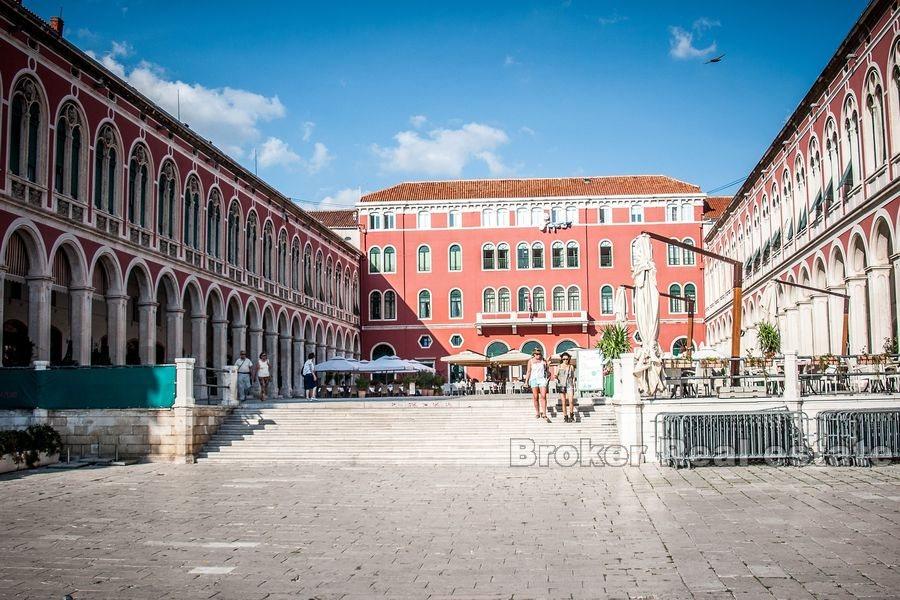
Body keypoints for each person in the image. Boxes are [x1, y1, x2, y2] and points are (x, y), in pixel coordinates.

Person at [524, 348, 551, 422]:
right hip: (533, 379)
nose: (538, 355)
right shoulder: (530, 361)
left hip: (542, 379)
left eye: (539, 354)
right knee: (535, 397)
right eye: (536, 354)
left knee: (543, 396)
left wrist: (548, 365)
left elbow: (547, 371)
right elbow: (528, 371)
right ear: (533, 354)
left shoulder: (543, 360)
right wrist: (526, 382)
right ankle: (537, 412)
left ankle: (544, 413)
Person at [553, 352, 577, 422]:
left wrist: (574, 385)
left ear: (569, 359)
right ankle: (565, 416)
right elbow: (556, 375)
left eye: (566, 359)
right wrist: (556, 377)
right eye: (564, 359)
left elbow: (573, 377)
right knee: (563, 402)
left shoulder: (571, 366)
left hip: (569, 385)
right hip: (562, 385)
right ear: (562, 359)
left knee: (571, 401)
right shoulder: (559, 366)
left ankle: (571, 415)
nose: (565, 360)